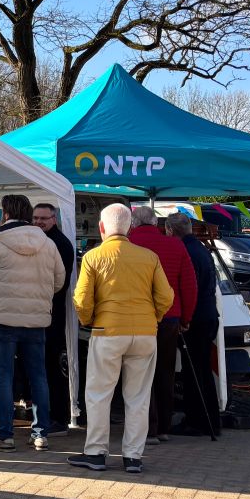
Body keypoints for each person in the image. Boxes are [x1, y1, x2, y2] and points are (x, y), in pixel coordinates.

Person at [68, 203, 173, 475]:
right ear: (130, 227)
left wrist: (88, 320)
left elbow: (81, 299)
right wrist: (154, 318)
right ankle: (133, 457)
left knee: (99, 394)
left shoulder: (93, 256)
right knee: (138, 398)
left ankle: (96, 452)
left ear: (102, 228)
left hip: (107, 331)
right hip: (145, 333)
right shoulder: (149, 257)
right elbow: (166, 297)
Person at [0, 195, 65, 453]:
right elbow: (59, 281)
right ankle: (40, 434)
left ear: (5, 212)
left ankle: (5, 436)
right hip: (37, 319)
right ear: (28, 213)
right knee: (39, 376)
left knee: (3, 378)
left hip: (2, 318)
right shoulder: (47, 243)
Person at [128, 206, 196, 445]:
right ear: (156, 223)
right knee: (165, 372)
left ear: (133, 223)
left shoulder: (127, 243)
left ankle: (146, 427)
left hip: (136, 317)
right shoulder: (175, 245)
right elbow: (189, 285)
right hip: (169, 317)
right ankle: (163, 428)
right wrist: (185, 318)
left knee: (138, 373)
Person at [168, 213, 222, 436]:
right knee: (202, 371)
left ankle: (198, 421)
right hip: (208, 315)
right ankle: (209, 419)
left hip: (197, 319)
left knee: (194, 372)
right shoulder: (201, 249)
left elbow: (190, 289)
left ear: (171, 231)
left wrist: (185, 319)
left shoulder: (187, 252)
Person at [33, 203, 75, 436]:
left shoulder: (59, 243)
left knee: (51, 367)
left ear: (54, 219)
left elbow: (58, 283)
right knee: (44, 367)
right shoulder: (45, 241)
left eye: (43, 218)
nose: (39, 222)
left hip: (52, 314)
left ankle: (59, 417)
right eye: (35, 218)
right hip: (43, 313)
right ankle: (52, 415)